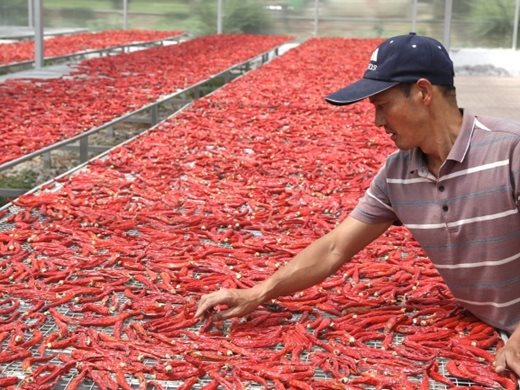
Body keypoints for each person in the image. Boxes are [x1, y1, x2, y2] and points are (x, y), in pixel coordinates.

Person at [195, 32, 520, 377]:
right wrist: (258, 293)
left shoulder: (510, 151)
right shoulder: (397, 174)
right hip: (492, 329)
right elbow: (335, 247)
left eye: (383, 106)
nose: (378, 123)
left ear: (424, 93)